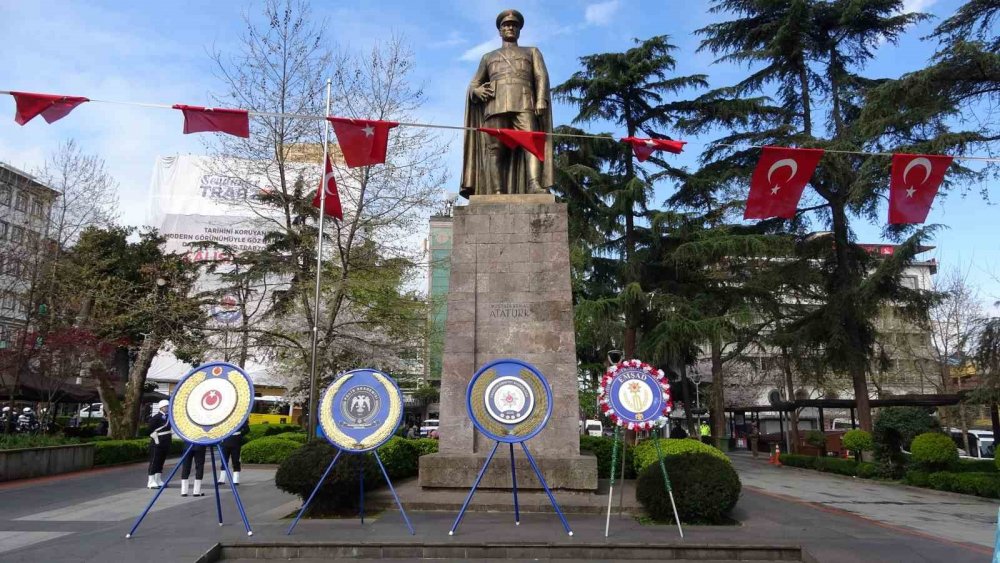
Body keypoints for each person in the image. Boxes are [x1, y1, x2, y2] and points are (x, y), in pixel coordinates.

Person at [461, 9, 554, 197]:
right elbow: (474, 84)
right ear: (500, 31)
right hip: (495, 106)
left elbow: (540, 76)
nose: (510, 27)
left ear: (519, 30)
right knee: (494, 150)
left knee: (532, 144)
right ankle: (497, 190)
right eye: (506, 25)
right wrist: (476, 91)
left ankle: (534, 184)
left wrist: (541, 98)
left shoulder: (532, 51)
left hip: (524, 103)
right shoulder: (488, 57)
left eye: (514, 25)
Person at [146, 400, 172, 489]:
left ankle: (158, 479)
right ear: (162, 407)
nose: (168, 408)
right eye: (166, 406)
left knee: (161, 461)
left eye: (168, 406)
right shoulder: (156, 417)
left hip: (166, 441)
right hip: (157, 442)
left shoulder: (169, 417)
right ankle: (151, 481)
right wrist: (154, 435)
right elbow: (149, 429)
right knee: (154, 461)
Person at [218, 419, 249, 486]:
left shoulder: (240, 417)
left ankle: (235, 479)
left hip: (234, 442)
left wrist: (239, 435)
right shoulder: (224, 417)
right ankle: (222, 479)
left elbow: (247, 429)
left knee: (235, 460)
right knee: (224, 460)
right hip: (226, 442)